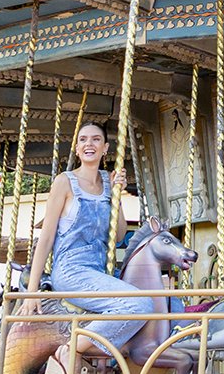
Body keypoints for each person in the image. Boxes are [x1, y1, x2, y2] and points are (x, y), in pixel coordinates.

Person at [23, 123, 149, 353]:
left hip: (99, 270)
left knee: (155, 303)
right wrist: (32, 290)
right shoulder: (64, 182)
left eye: (95, 139)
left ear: (105, 148)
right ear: (77, 148)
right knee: (140, 303)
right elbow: (47, 237)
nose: (88, 144)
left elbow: (119, 235)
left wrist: (117, 196)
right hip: (71, 271)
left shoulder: (108, 182)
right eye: (83, 140)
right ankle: (70, 351)